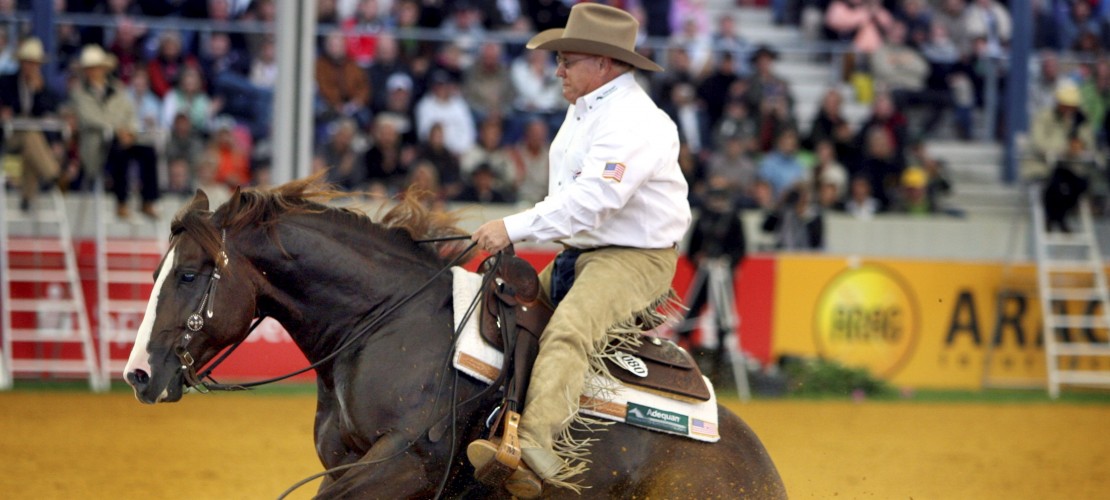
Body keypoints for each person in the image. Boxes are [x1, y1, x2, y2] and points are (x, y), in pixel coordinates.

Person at [465, 4, 691, 498]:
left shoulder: (635, 121)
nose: (558, 69)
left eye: (568, 59)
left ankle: (532, 448)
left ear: (605, 64)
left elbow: (593, 202)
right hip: (582, 252)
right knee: (505, 314)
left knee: (569, 330)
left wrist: (513, 227)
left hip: (634, 259)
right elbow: (573, 198)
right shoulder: (587, 108)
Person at [70, 44, 159, 219]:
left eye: (96, 67)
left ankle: (148, 200)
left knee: (149, 152)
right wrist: (118, 129)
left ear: (103, 69)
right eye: (90, 68)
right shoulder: (79, 93)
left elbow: (130, 113)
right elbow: (89, 118)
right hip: (97, 147)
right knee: (121, 152)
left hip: (122, 139)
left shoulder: (118, 89)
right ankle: (122, 201)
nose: (93, 72)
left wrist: (130, 132)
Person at [0, 38, 61, 212]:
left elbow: (49, 112)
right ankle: (54, 174)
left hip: (32, 141)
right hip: (9, 136)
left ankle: (27, 198)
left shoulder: (43, 88)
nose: (31, 67)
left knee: (31, 145)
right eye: (28, 63)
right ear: (21, 63)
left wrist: (38, 92)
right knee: (30, 135)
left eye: (35, 64)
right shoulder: (6, 83)